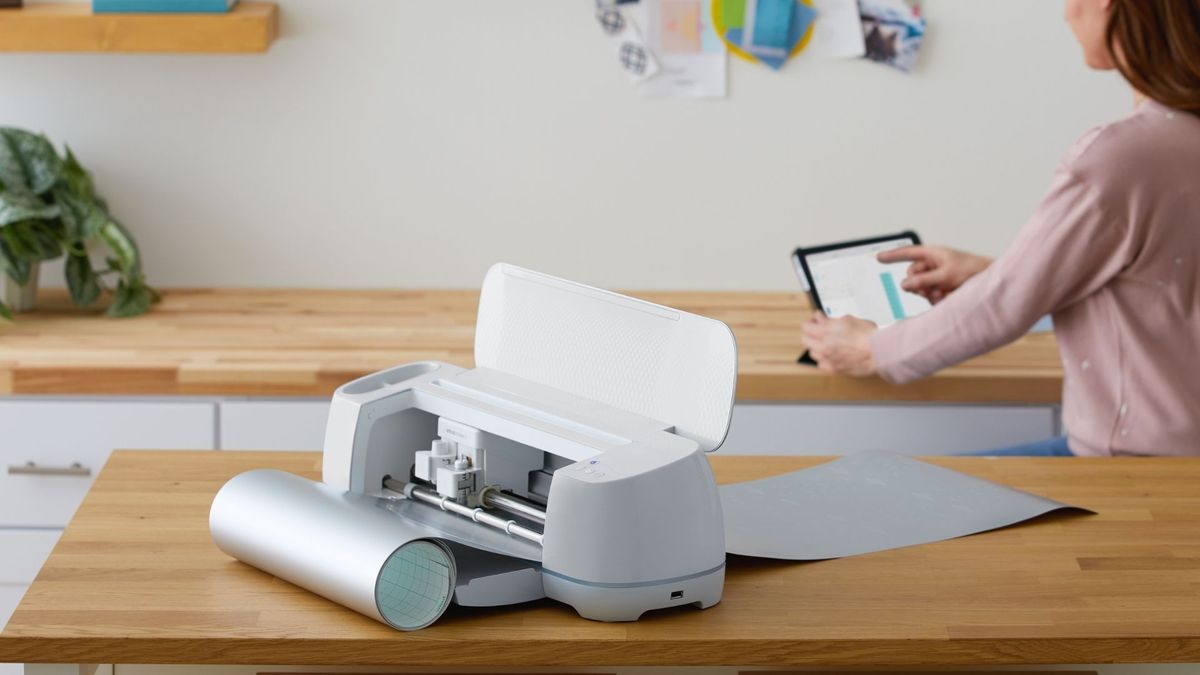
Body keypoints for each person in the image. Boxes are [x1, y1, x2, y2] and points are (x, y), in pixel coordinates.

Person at [800, 0, 1200, 457]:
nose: (1067, 14)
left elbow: (1003, 305)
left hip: (1134, 467)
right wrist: (987, 270)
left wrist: (872, 349)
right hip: (1183, 455)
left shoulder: (1120, 158)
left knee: (898, 495)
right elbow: (1162, 291)